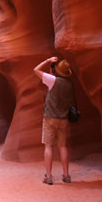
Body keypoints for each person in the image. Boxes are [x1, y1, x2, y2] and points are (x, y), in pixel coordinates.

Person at [33, 56, 73, 185]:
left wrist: (47, 61)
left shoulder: (52, 80)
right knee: (62, 146)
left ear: (55, 70)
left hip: (50, 117)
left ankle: (49, 176)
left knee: (48, 146)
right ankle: (66, 175)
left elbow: (35, 70)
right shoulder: (69, 83)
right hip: (63, 118)